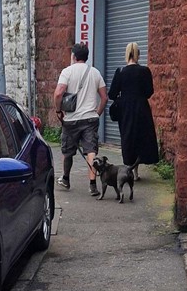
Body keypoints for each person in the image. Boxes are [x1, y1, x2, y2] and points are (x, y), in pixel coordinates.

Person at [54, 43, 108, 195]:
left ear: (74, 56)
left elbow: (58, 93)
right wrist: (97, 113)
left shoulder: (67, 72)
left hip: (71, 119)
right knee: (91, 150)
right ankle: (92, 184)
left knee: (68, 151)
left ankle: (65, 179)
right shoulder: (95, 73)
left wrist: (58, 110)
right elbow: (104, 97)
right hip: (90, 119)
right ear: (86, 57)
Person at [108, 43, 159, 179]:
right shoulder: (144, 71)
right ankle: (136, 171)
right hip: (141, 107)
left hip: (125, 109)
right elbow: (149, 92)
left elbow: (112, 94)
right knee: (141, 137)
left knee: (128, 137)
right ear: (138, 54)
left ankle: (129, 168)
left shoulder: (121, 71)